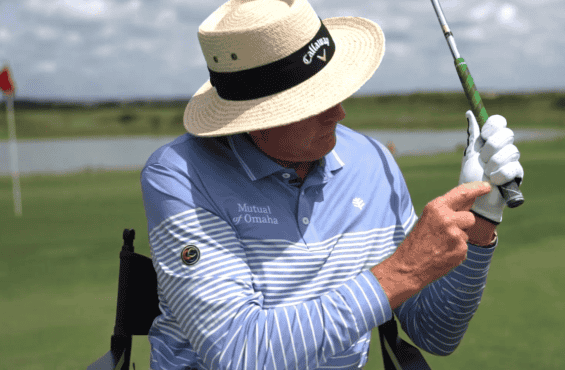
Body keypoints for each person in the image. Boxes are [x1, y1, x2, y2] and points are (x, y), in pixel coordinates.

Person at [140, 0, 524, 369]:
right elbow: (239, 354)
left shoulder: (373, 161)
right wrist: (402, 271)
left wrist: (481, 216)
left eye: (335, 92)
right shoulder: (179, 175)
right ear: (252, 116)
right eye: (314, 103)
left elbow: (434, 334)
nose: (339, 113)